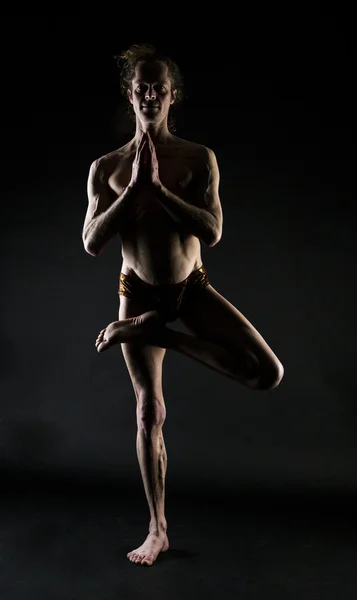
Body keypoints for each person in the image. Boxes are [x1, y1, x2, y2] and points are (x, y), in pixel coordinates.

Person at [82, 43, 284, 566]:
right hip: (136, 292)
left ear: (172, 96)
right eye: (141, 87)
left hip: (190, 289)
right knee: (149, 410)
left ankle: (162, 332)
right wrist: (133, 192)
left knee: (266, 373)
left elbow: (212, 231)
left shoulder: (198, 159)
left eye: (159, 88)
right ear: (130, 94)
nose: (150, 94)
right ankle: (158, 530)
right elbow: (91, 241)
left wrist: (160, 192)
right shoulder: (107, 167)